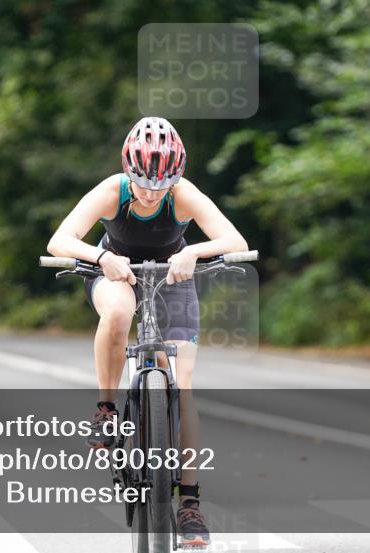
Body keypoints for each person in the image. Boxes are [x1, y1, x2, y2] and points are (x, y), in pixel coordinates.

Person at [46, 116, 249, 546]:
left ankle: (190, 504)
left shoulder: (183, 194)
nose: (152, 192)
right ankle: (106, 409)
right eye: (143, 183)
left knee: (185, 384)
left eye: (162, 185)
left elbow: (233, 239)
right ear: (129, 171)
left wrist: (193, 251)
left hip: (173, 279)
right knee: (119, 313)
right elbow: (60, 239)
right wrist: (100, 259)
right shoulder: (112, 191)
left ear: (175, 177)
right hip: (116, 273)